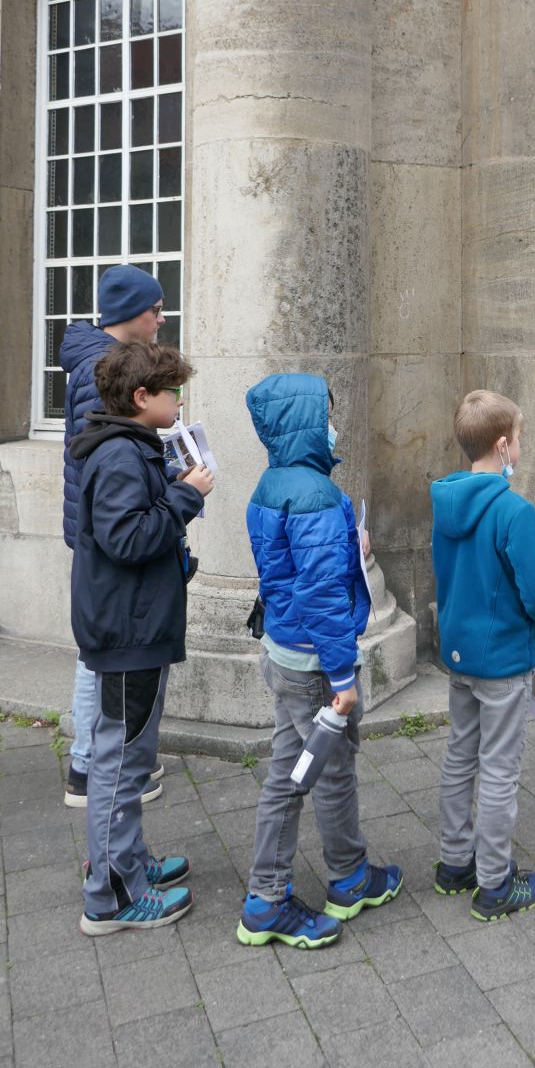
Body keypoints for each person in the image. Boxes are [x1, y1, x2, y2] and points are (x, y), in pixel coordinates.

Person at [237, 373, 402, 951]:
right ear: (306, 422)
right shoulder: (313, 494)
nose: (334, 424)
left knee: (291, 771)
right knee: (326, 774)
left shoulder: (274, 483)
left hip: (284, 652)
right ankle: (333, 882)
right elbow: (323, 596)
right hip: (314, 666)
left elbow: (289, 576)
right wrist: (341, 677)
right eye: (328, 414)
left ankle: (279, 889)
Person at [72, 341, 212, 934]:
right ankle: (111, 894)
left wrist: (172, 490)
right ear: (141, 398)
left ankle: (126, 862)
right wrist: (186, 496)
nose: (178, 400)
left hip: (134, 626)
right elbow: (127, 539)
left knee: (129, 756)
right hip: (128, 631)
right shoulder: (121, 457)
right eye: (171, 391)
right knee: (121, 762)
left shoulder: (129, 449)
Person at [431, 389, 535, 921]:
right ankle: (494, 883)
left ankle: (454, 863)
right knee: (500, 767)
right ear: (503, 444)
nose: (521, 449)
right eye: (520, 440)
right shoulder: (514, 511)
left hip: (459, 654)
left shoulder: (446, 499)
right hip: (504, 657)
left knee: (460, 756)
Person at [60, 263, 168, 808]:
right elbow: (107, 459)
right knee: (97, 652)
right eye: (155, 309)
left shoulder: (104, 361)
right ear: (131, 314)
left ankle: (99, 761)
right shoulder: (100, 368)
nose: (161, 318)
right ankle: (87, 767)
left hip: (98, 529)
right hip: (101, 534)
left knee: (98, 650)